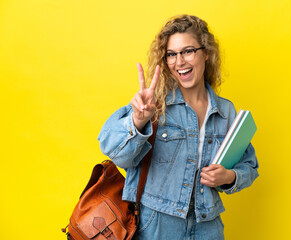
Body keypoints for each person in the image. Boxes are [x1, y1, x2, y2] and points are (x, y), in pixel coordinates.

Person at [98, 14, 259, 240]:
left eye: (187, 51)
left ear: (206, 53)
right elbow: (115, 152)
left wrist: (229, 177)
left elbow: (250, 166)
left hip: (208, 226)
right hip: (157, 225)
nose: (179, 61)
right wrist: (137, 121)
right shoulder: (154, 105)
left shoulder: (226, 112)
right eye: (171, 54)